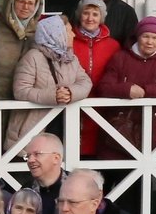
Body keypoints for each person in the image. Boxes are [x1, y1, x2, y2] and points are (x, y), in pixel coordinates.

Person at [94, 19, 156, 160]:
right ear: (138, 37)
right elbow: (104, 87)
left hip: (154, 130)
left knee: (151, 177)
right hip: (120, 130)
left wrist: (146, 91)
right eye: (145, 36)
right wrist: (126, 89)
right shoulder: (120, 57)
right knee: (117, 176)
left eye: (155, 38)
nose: (150, 42)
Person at [6, 13, 92, 150]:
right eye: (69, 31)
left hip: (62, 126)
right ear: (57, 34)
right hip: (31, 130)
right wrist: (53, 96)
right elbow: (20, 91)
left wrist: (70, 92)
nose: (74, 35)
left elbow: (85, 82)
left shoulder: (70, 58)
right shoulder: (32, 57)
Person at [0, 0, 42, 103]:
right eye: (21, 1)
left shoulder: (40, 31)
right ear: (11, 2)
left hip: (26, 103)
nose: (26, 7)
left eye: (31, 3)